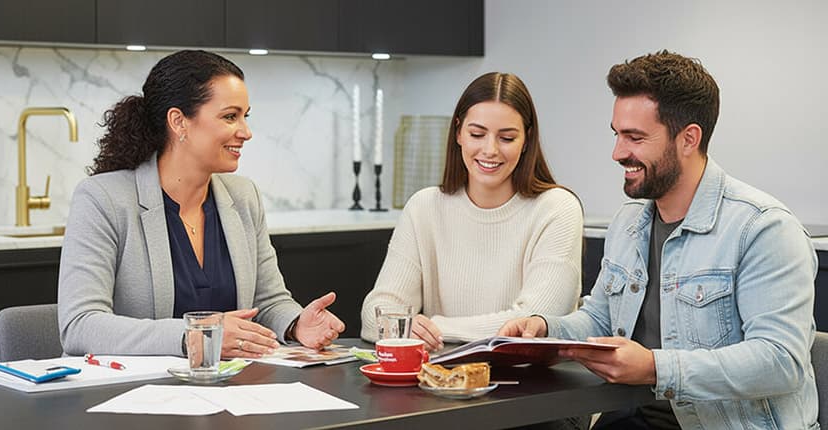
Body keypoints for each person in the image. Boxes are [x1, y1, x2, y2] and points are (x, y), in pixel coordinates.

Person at [499, 50, 819, 429]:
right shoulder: (630, 222)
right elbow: (601, 318)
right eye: (617, 134)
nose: (618, 153)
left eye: (635, 137)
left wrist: (655, 368)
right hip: (634, 418)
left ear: (689, 139)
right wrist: (545, 331)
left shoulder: (763, 229)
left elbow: (781, 362)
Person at [58, 50, 345, 359]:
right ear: (179, 121)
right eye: (230, 116)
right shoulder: (102, 199)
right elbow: (80, 325)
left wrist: (296, 324)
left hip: (229, 391)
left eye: (245, 116)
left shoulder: (244, 197)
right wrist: (195, 336)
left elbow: (269, 301)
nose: (246, 132)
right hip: (130, 394)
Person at [361, 72, 584, 351]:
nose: (490, 150)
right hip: (437, 382)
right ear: (458, 133)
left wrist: (429, 327)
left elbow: (532, 323)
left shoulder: (557, 209)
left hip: (530, 384)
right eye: (477, 134)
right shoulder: (423, 208)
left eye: (506, 138)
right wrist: (400, 324)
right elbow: (375, 314)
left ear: (526, 140)